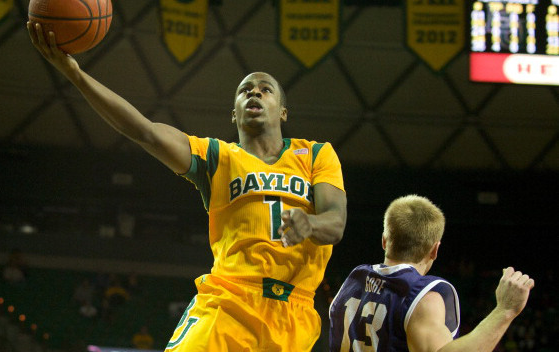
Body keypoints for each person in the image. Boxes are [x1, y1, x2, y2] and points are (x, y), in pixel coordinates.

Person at [27, 22, 347, 352]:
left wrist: (311, 223)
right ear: (233, 116)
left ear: (282, 112)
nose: (254, 92)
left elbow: (335, 223)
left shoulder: (315, 154)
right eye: (244, 90)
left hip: (295, 315)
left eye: (265, 89)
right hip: (229, 302)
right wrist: (76, 74)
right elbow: (145, 131)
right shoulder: (216, 156)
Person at [328, 194, 534, 352]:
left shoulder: (353, 281)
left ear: (384, 240)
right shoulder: (422, 297)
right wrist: (505, 311)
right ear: (435, 250)